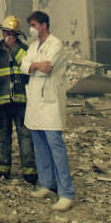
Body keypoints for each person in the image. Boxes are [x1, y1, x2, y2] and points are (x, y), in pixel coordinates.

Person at [23, 11, 75, 212]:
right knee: (40, 145)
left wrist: (32, 65)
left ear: (44, 25)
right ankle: (47, 184)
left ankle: (66, 193)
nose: (32, 28)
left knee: (56, 147)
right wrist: (35, 65)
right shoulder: (33, 46)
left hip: (51, 102)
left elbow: (49, 67)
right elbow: (24, 65)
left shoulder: (56, 44)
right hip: (35, 102)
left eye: (34, 24)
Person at [0, 15, 36, 184]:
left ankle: (30, 171)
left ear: (18, 35)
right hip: (1, 101)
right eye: (7, 32)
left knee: (26, 136)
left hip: (22, 101)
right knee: (1, 136)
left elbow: (29, 69)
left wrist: (16, 50)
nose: (9, 36)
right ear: (2, 32)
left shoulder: (25, 51)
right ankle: (1, 169)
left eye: (13, 33)